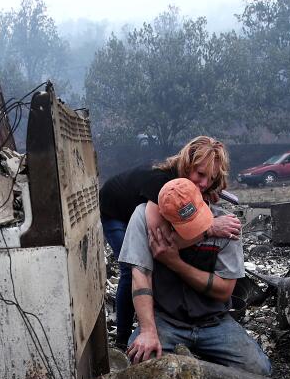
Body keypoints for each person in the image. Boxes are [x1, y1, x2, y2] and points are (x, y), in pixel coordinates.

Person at [98, 137, 242, 348]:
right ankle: (122, 338)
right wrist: (209, 229)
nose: (203, 183)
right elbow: (160, 244)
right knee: (132, 269)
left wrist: (206, 190)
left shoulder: (191, 184)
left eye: (210, 179)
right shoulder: (163, 185)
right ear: (186, 164)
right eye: (200, 174)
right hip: (115, 211)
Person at [120, 177, 272, 376]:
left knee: (259, 370)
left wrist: (175, 263)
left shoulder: (226, 225)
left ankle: (197, 369)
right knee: (140, 364)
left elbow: (224, 291)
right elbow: (140, 276)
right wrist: (148, 331)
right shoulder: (146, 219)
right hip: (167, 321)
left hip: (214, 322)